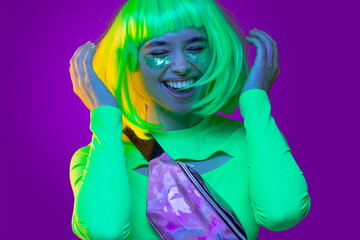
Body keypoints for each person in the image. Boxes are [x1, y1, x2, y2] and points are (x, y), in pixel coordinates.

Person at [68, 0, 311, 239]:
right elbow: (104, 231)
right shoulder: (98, 159)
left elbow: (282, 214)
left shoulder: (251, 141)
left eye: (196, 49)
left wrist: (255, 102)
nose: (182, 66)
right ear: (131, 60)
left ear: (215, 51)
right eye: (160, 53)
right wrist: (106, 116)